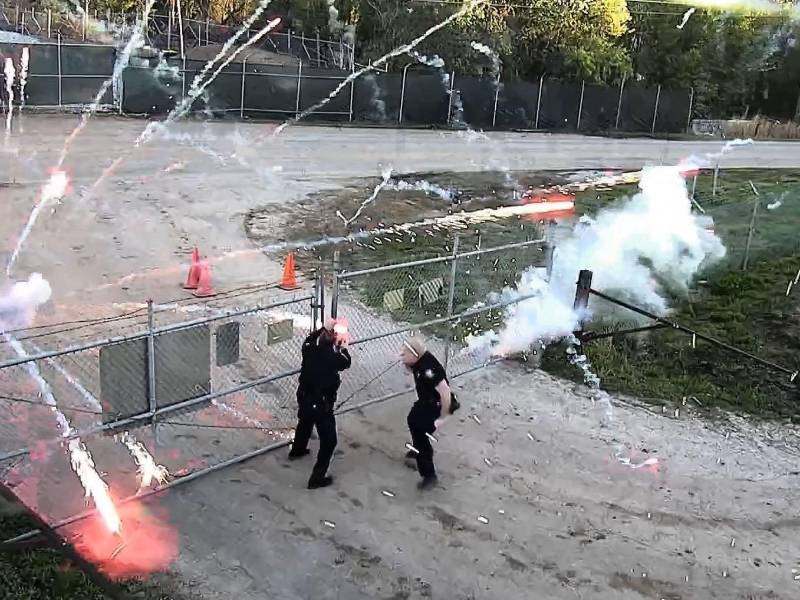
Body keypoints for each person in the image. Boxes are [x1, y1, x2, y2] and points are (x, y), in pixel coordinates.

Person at [288, 318, 351, 489]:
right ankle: (317, 477)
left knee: (305, 421)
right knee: (329, 440)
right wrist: (342, 346)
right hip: (321, 402)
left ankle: (297, 450)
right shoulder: (332, 356)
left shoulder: (309, 346)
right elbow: (346, 362)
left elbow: (311, 338)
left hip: (304, 394)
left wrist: (325, 329)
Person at [400, 336, 452, 490]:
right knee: (413, 420)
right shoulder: (418, 362)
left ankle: (429, 475)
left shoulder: (429, 369)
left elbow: (445, 392)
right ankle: (418, 449)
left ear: (415, 354)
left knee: (421, 434)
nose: (402, 356)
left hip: (435, 405)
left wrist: (444, 415)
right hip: (425, 401)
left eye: (405, 353)